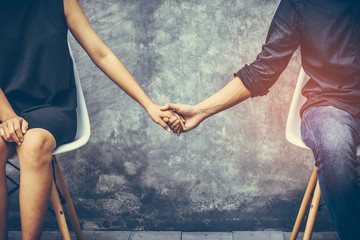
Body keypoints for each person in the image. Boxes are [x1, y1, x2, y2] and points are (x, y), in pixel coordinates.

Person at [162, 0, 360, 239]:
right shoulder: (300, 3)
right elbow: (263, 70)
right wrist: (201, 110)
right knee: (334, 147)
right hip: (330, 102)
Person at [0, 0, 184, 239]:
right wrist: (7, 115)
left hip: (52, 106)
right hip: (4, 107)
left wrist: (148, 104)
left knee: (34, 144)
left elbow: (102, 54)